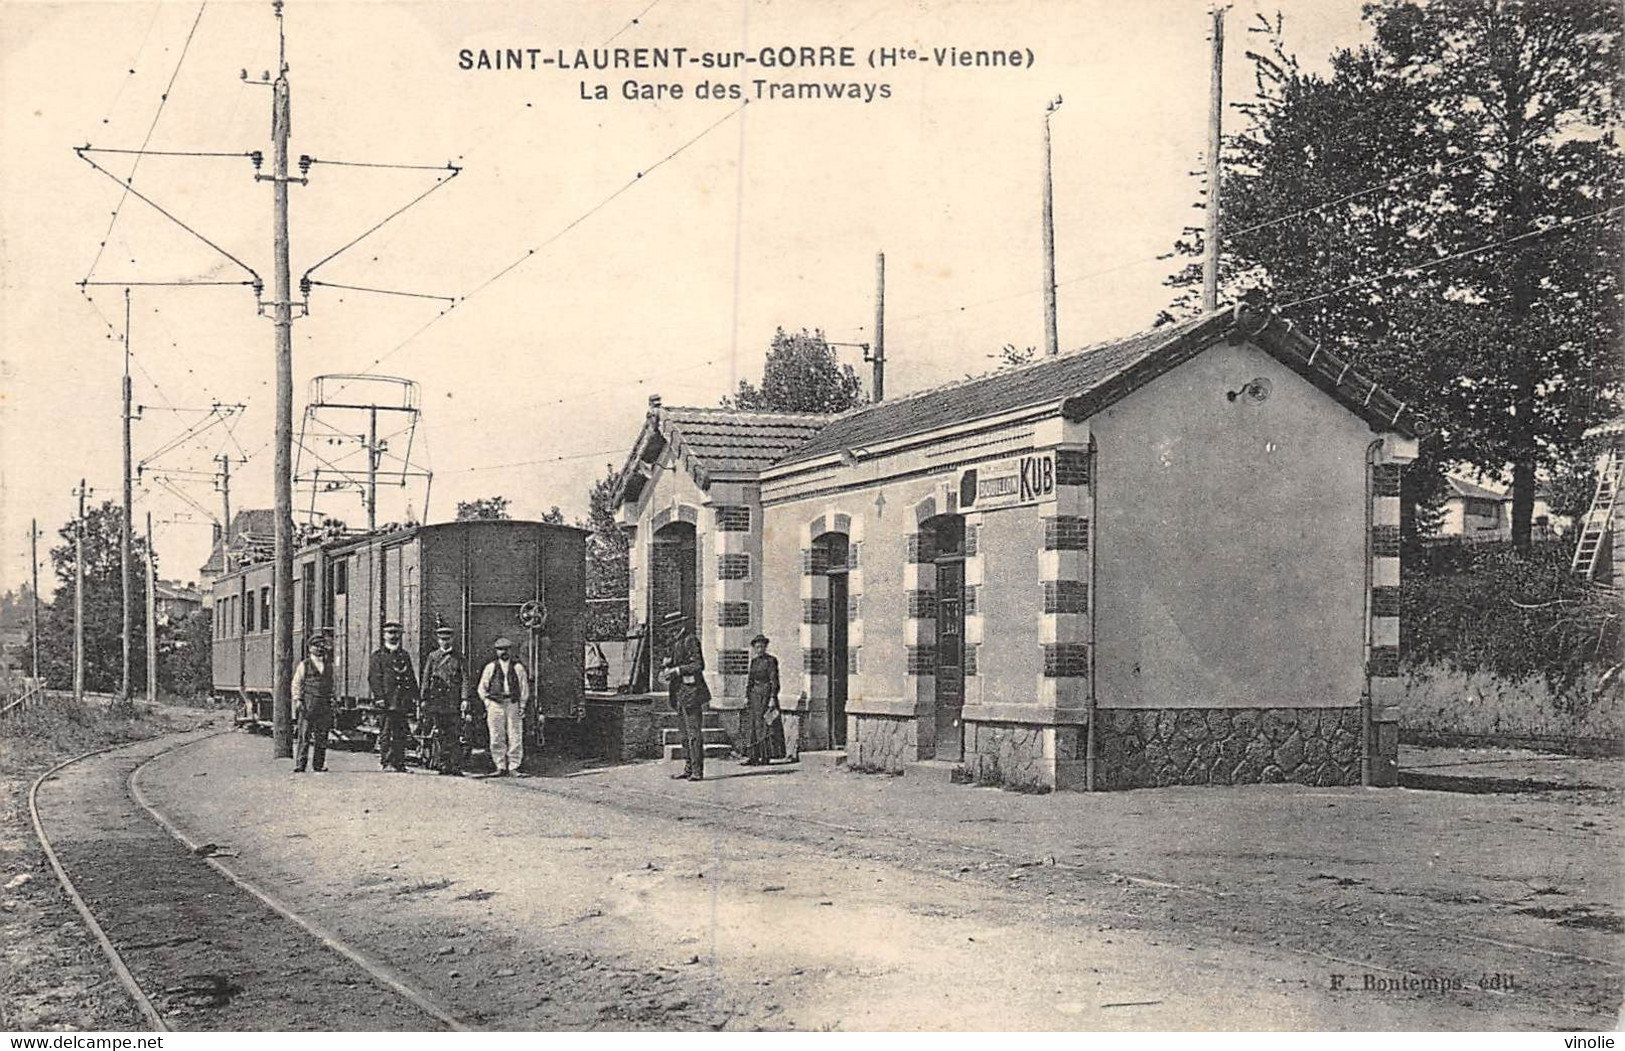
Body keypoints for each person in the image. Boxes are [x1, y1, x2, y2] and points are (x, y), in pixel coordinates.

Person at [661, 611, 711, 782]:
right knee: (683, 734)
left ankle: (697, 770)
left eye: (672, 627)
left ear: (680, 626)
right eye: (668, 627)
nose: (670, 630)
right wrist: (668, 665)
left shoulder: (690, 640)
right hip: (679, 694)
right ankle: (688, 768)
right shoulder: (675, 642)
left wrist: (676, 670)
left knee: (694, 734)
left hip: (692, 694)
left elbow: (698, 665)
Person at [369, 621, 420, 773]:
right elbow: (374, 678)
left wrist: (416, 696)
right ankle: (387, 762)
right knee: (386, 733)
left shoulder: (404, 655)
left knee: (400, 733)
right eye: (390, 633)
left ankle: (399, 763)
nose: (393, 636)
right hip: (386, 701)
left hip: (402, 700)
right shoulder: (378, 656)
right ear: (384, 635)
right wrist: (379, 697)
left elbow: (410, 677)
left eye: (396, 633)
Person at [478, 636, 531, 776]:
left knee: (515, 735)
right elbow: (482, 688)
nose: (503, 652)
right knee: (496, 735)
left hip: (512, 703)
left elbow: (524, 688)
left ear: (511, 650)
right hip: (495, 704)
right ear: (496, 651)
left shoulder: (518, 667)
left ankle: (514, 766)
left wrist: (522, 705)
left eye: (506, 649)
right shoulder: (490, 667)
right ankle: (500, 766)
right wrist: (487, 703)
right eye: (500, 649)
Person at [421, 623, 468, 776]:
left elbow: (465, 679)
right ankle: (443, 764)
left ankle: (455, 766)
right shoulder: (433, 657)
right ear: (438, 640)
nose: (445, 642)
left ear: (452, 639)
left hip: (453, 701)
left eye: (447, 639)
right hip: (438, 701)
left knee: (454, 734)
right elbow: (426, 678)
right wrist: (424, 698)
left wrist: (464, 698)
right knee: (440, 734)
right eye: (442, 639)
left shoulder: (459, 657)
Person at [291, 632, 334, 774]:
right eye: (316, 646)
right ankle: (300, 764)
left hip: (324, 705)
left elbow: (332, 684)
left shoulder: (328, 665)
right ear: (310, 648)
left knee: (322, 737)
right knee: (304, 736)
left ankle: (318, 765)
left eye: (322, 646)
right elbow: (297, 683)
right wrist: (298, 700)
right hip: (308, 704)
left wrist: (333, 700)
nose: (320, 648)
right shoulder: (304, 665)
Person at [740, 633, 783, 766]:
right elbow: (750, 680)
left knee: (764, 726)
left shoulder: (771, 661)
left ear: (765, 647)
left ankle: (766, 756)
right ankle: (753, 756)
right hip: (754, 697)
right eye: (757, 647)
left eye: (762, 646)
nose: (760, 649)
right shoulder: (754, 662)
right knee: (752, 726)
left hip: (765, 695)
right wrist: (747, 697)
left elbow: (774, 681)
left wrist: (772, 698)